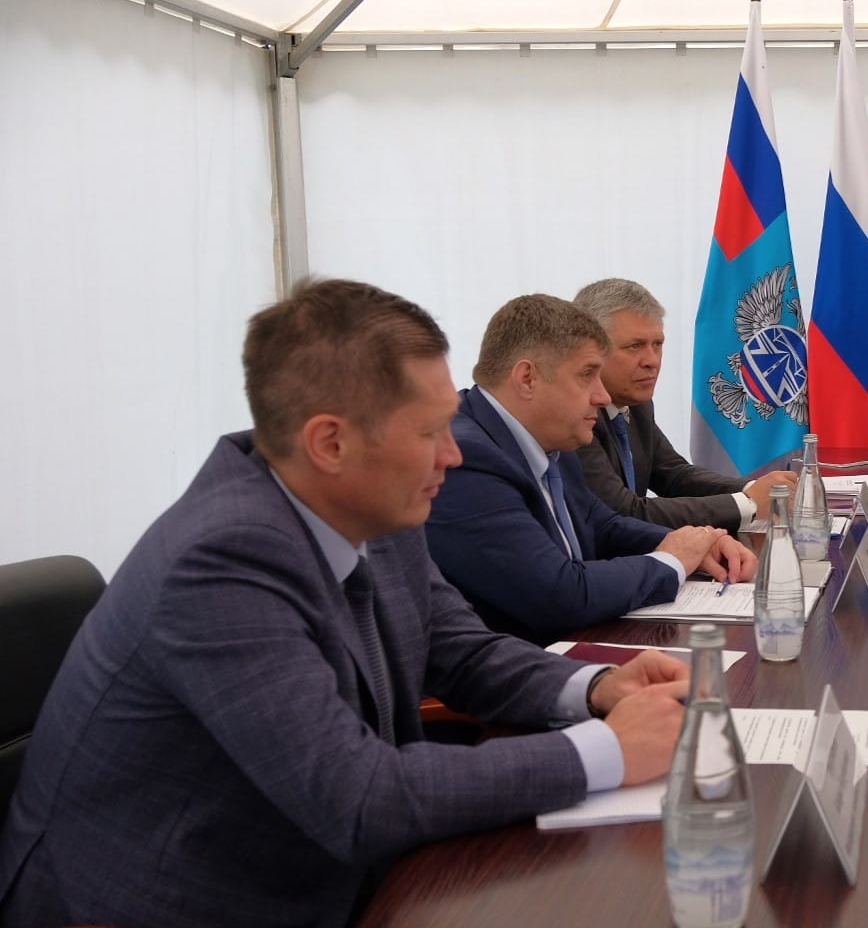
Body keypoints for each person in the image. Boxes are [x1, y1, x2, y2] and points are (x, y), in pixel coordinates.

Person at [0, 279, 690, 928]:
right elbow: (356, 797)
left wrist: (597, 687)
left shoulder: (368, 501)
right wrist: (604, 752)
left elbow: (459, 648)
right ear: (330, 442)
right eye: (429, 433)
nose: (452, 456)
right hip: (166, 903)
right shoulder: (219, 564)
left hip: (321, 867)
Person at [426, 294, 755, 643]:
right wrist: (672, 561)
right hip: (516, 663)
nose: (602, 397)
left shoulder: (553, 434)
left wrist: (695, 544)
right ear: (527, 378)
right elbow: (560, 594)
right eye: (587, 375)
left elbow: (601, 525)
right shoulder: (466, 459)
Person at [571, 278, 796, 530]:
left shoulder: (635, 403)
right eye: (634, 346)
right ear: (590, 350)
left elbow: (673, 474)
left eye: (657, 344)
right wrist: (748, 503)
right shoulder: (574, 417)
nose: (652, 361)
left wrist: (754, 489)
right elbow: (624, 512)